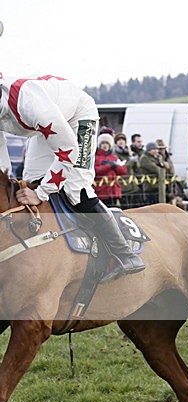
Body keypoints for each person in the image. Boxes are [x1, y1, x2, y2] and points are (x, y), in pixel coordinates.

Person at [0, 73, 144, 282]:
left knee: (75, 189)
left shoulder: (30, 104)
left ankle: (124, 253)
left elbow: (68, 150)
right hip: (43, 123)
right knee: (32, 178)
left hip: (76, 115)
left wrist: (41, 194)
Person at [93, 132, 126, 207]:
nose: (105, 145)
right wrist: (109, 166)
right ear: (99, 145)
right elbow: (95, 171)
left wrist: (115, 166)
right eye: (103, 143)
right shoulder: (95, 158)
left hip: (113, 190)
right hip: (101, 191)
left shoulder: (114, 157)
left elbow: (123, 171)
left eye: (107, 143)